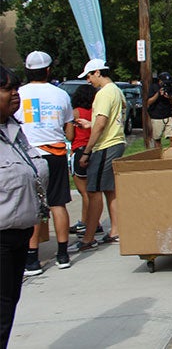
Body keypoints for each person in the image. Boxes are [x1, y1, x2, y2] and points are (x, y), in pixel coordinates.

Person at [14, 51, 74, 275]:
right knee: (58, 203)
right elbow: (69, 130)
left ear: (27, 70)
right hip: (55, 152)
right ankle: (63, 254)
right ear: (49, 70)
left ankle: (31, 259)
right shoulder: (61, 95)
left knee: (33, 205)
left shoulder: (18, 93)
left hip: (29, 153)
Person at [0, 64, 46, 348]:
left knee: (6, 309)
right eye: (7, 89)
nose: (15, 94)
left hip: (19, 235)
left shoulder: (13, 131)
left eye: (16, 88)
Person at [73, 59, 126, 251]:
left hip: (105, 145)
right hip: (116, 142)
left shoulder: (104, 93)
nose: (88, 80)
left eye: (88, 76)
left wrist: (87, 151)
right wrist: (90, 124)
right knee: (110, 190)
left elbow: (102, 123)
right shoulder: (116, 91)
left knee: (93, 191)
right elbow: (108, 120)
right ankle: (115, 231)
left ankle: (89, 238)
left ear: (97, 72)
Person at [68, 85, 98, 241]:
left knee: (85, 192)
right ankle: (95, 222)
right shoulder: (95, 112)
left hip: (79, 150)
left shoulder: (76, 112)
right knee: (93, 190)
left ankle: (84, 223)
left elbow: (69, 135)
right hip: (94, 150)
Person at [147, 71, 172, 148]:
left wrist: (169, 97)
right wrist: (158, 94)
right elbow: (149, 102)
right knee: (157, 139)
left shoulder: (170, 87)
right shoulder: (153, 87)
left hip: (168, 115)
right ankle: (159, 155)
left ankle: (171, 154)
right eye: (164, 82)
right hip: (156, 116)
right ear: (159, 80)